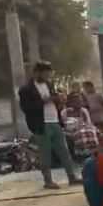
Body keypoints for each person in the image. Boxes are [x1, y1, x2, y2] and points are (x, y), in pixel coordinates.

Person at [19, 61, 81, 189]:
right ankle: (48, 180)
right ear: (37, 73)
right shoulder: (26, 89)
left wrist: (59, 101)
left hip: (54, 121)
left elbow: (53, 101)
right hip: (41, 124)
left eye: (49, 74)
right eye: (45, 73)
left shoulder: (49, 84)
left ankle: (72, 177)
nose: (48, 76)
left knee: (64, 151)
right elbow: (26, 108)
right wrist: (44, 101)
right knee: (45, 153)